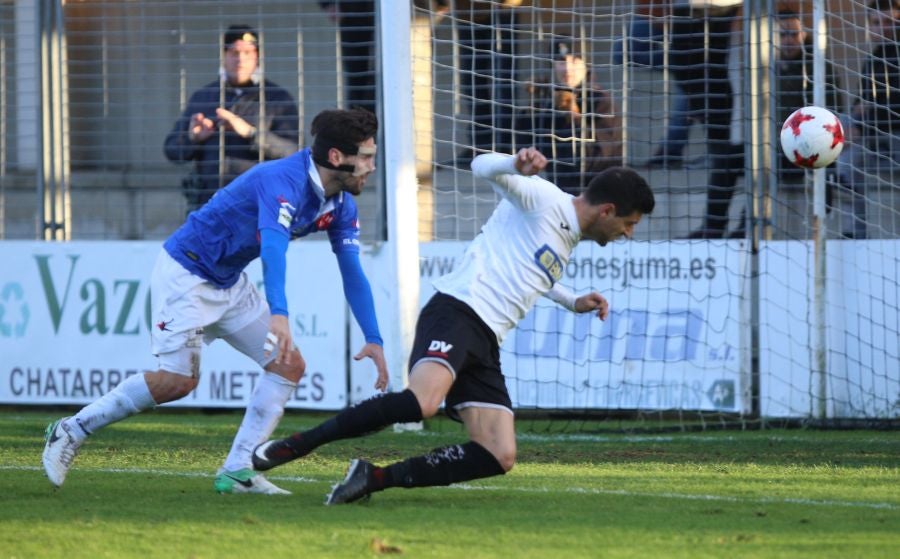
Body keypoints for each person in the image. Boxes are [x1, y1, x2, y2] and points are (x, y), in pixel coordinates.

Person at [251, 147, 655, 505]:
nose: (628, 233)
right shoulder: (545, 199)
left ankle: (372, 477)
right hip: (458, 311)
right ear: (607, 211)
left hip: (485, 338)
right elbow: (481, 167)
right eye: (630, 223)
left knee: (499, 453)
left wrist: (571, 300)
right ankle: (298, 444)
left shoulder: (564, 234)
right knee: (423, 402)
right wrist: (514, 163)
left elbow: (532, 271)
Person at [43, 108, 389, 495]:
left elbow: (352, 272)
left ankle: (238, 470)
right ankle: (71, 428)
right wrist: (280, 314)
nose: (373, 166)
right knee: (178, 382)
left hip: (228, 281)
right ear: (337, 158)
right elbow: (274, 250)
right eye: (367, 157)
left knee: (288, 365)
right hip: (187, 273)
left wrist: (373, 337)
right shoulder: (282, 181)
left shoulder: (341, 205)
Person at [686, 9, 842, 238]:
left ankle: (747, 226)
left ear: (804, 35)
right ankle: (713, 225)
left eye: (793, 34)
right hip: (770, 144)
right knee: (728, 159)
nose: (788, 41)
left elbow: (831, 114)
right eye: (782, 35)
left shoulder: (818, 69)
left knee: (765, 164)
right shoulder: (764, 68)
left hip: (804, 149)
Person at [164, 25, 300, 212]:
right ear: (224, 56)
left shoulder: (277, 98)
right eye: (234, 52)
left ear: (257, 57)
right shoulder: (204, 97)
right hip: (209, 204)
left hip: (257, 204)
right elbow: (171, 150)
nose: (240, 59)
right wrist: (192, 139)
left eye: (247, 52)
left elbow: (294, 153)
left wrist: (251, 133)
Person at [516, 38, 623, 194]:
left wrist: (573, 116)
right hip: (557, 193)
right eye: (561, 61)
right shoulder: (548, 99)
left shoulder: (600, 100)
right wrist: (531, 109)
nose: (567, 68)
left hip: (597, 194)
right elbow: (523, 148)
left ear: (586, 65)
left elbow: (597, 159)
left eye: (574, 60)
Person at [836, 0, 899, 239]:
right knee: (839, 121)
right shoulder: (875, 58)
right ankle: (853, 228)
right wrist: (857, 119)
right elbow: (862, 102)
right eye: (877, 22)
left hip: (892, 137)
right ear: (867, 25)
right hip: (878, 135)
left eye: (892, 22)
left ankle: (838, 179)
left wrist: (861, 126)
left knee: (849, 152)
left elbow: (891, 108)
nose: (884, 28)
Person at [438, 0, 521, 165]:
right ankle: (481, 146)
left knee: (503, 80)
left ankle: (504, 146)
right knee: (472, 80)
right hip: (468, 12)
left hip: (502, 11)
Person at [614, 2, 695, 168]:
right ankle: (682, 62)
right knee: (621, 51)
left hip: (694, 16)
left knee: (691, 87)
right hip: (661, 13)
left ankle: (670, 152)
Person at [319, 1, 377, 114]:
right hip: (351, 15)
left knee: (384, 75)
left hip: (388, 16)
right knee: (356, 79)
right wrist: (328, 4)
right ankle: (357, 124)